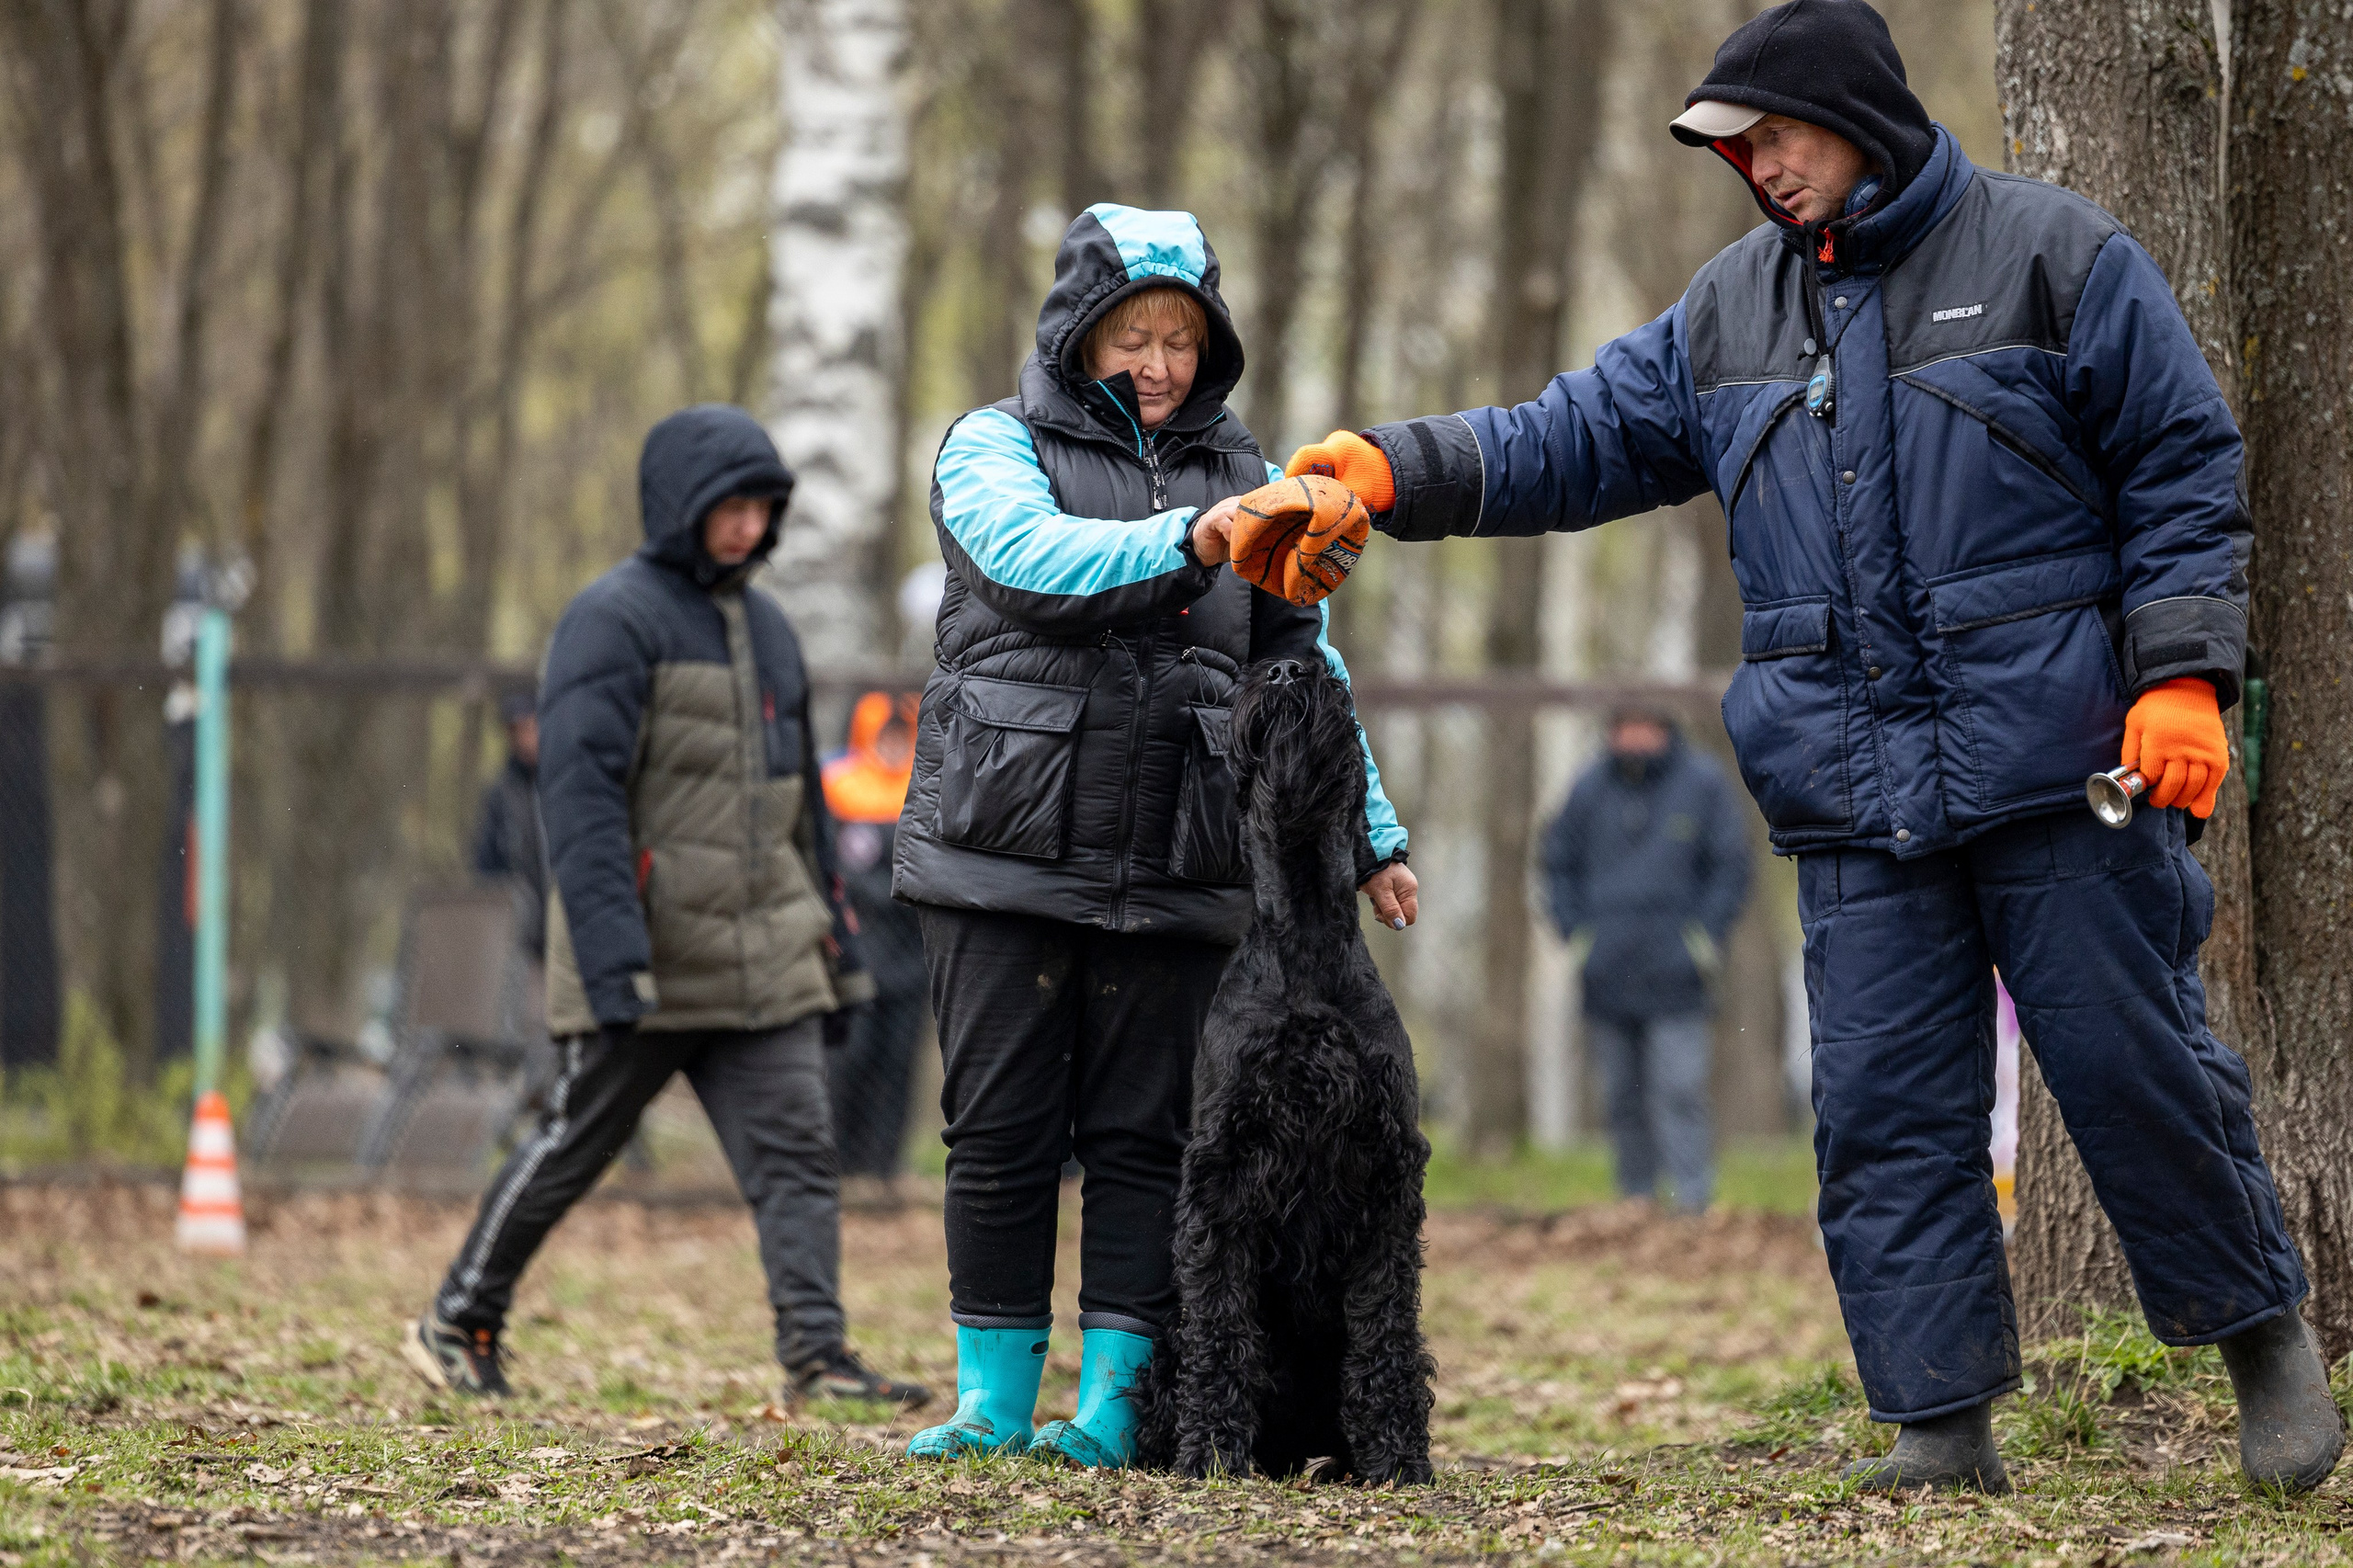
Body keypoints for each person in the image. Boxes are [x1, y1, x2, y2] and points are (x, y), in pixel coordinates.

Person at [1273, 0, 2339, 1495]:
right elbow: (1564, 437)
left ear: (1861, 116)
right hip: (1849, 794)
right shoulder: (1726, 313)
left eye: (1775, 137)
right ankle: (1941, 1424)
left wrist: (2184, 680)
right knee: (1885, 1109)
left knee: (2137, 1064)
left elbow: (2181, 465)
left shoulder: (2057, 254)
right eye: (1738, 151)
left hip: (2061, 771)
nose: (1759, 169)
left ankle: (2265, 1347)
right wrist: (1393, 470)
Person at [894, 204, 1415, 1468]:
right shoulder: (991, 444)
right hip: (1005, 844)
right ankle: (990, 1401)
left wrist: (1373, 834)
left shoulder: (1248, 473)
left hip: (1183, 856)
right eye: (1135, 333)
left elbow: (1305, 663)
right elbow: (1031, 563)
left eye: (1182, 338)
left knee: (1152, 1138)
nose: (1160, 363)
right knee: (1002, 1130)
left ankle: (1118, 1407)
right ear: (1082, 332)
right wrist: (1191, 540)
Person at [404, 404, 929, 1414]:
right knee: (570, 1142)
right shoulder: (611, 618)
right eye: (729, 506)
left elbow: (800, 807)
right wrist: (608, 952)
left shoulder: (769, 630)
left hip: (763, 954)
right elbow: (580, 797)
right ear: (680, 507)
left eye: (762, 508)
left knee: (797, 1152)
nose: (746, 527)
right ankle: (456, 1321)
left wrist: (833, 937)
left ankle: (818, 1354)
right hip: (644, 954)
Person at [1540, 706, 1750, 1213]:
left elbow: (1731, 867)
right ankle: (1636, 1203)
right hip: (1607, 974)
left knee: (1679, 1090)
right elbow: (1556, 863)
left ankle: (1691, 1204)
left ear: (1664, 729)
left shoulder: (1703, 785)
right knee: (1621, 1096)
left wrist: (1700, 941)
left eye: (1644, 727)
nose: (1634, 738)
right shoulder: (1587, 789)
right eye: (1624, 727)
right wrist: (1580, 937)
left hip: (1678, 976)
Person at [821, 690, 926, 1189]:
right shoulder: (839, 789)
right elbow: (836, 868)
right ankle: (842, 1166)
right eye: (884, 736)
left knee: (896, 1067)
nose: (891, 747)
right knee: (848, 1062)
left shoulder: (923, 791)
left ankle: (884, 1170)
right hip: (856, 954)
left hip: (910, 960)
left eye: (899, 737)